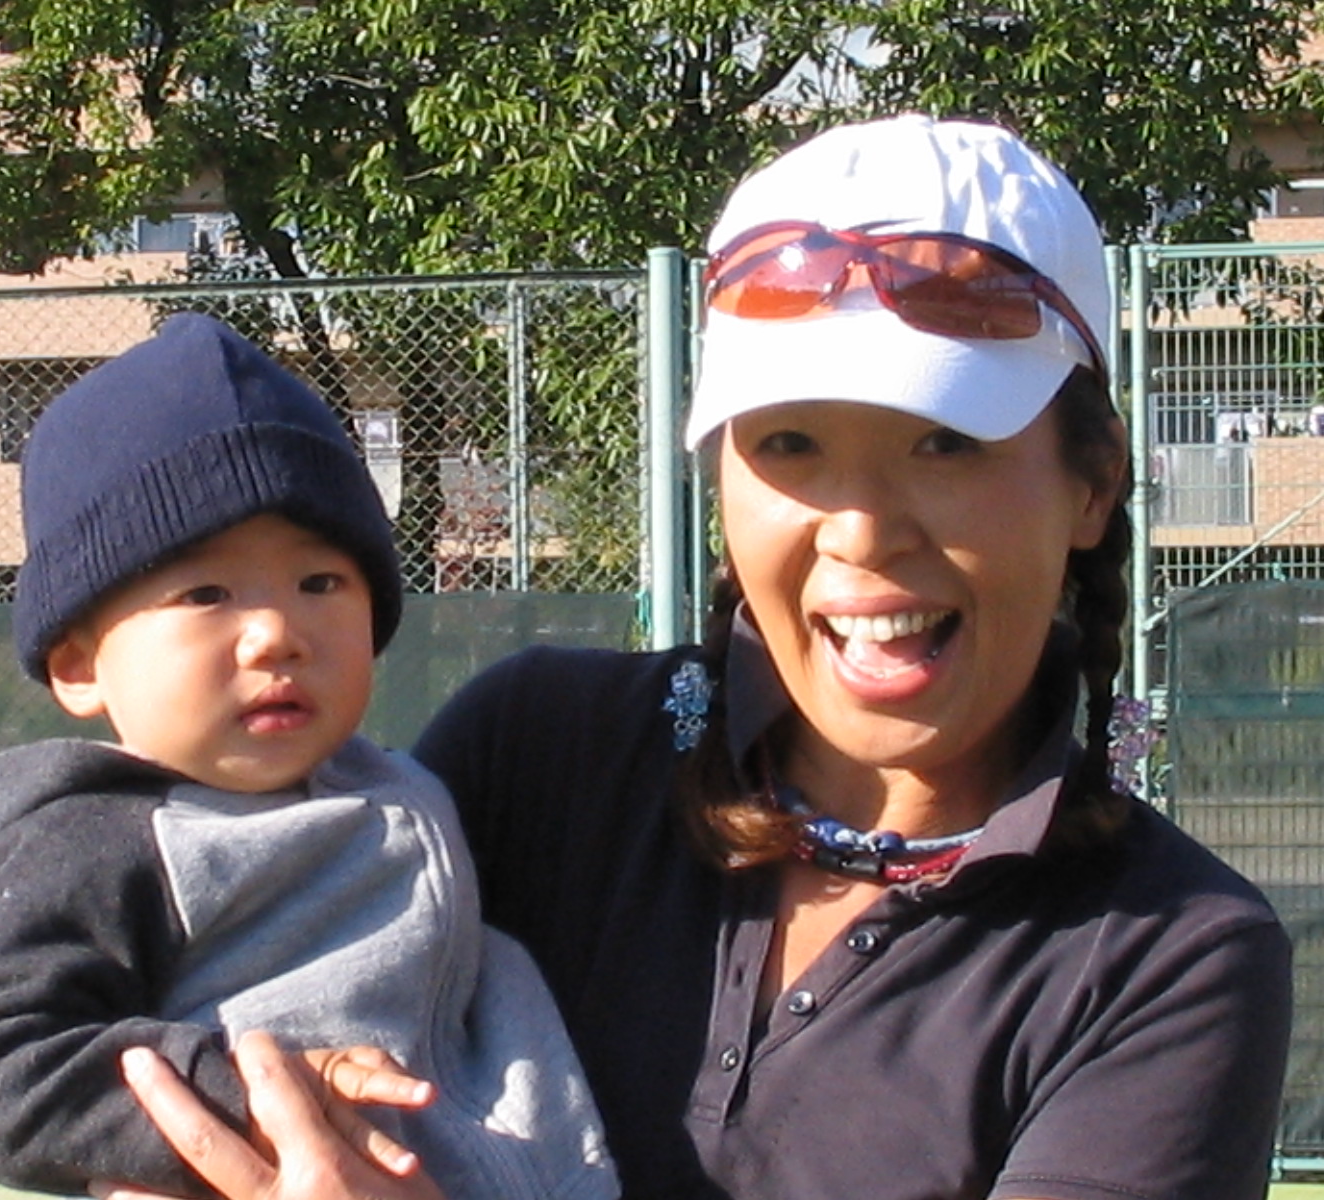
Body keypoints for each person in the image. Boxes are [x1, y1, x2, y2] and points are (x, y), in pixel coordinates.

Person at [95, 115, 1294, 1200]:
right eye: (789, 444)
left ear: (1093, 482)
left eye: (944, 442)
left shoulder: (1170, 958)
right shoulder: (536, 755)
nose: (860, 531)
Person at [0, 312, 619, 1200]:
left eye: (319, 582)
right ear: (81, 665)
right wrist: (247, 1092)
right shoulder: (91, 834)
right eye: (206, 592)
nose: (277, 634)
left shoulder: (401, 786)